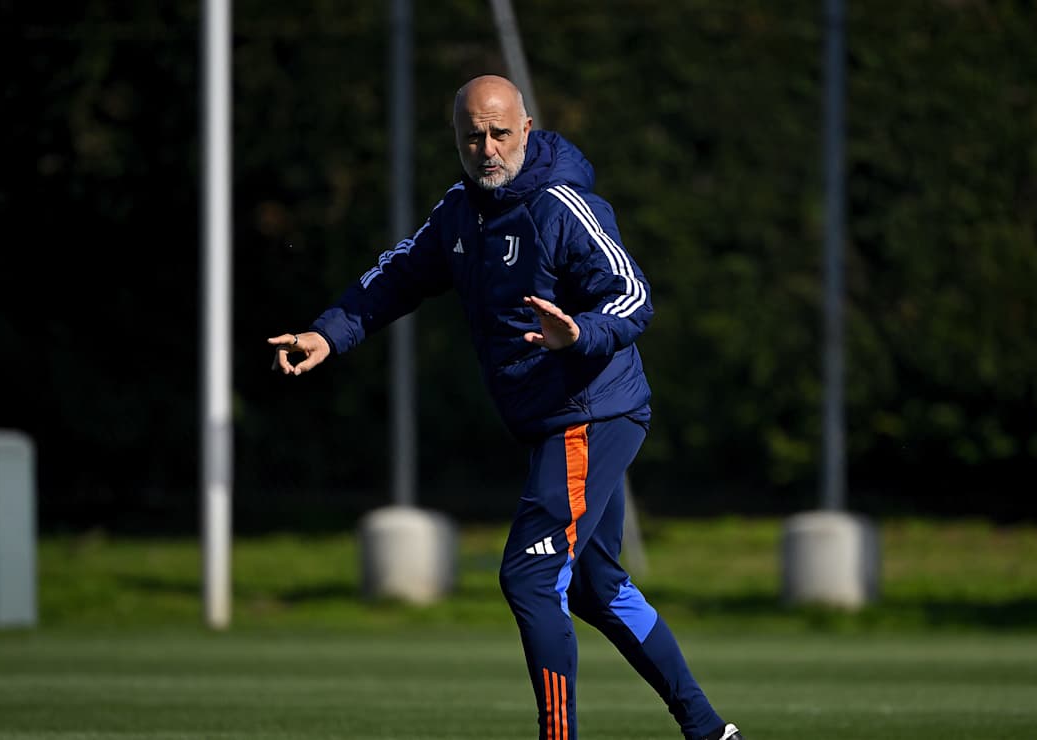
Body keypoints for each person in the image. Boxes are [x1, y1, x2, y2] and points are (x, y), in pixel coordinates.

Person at [268, 74, 744, 740]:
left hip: (591, 411)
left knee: (530, 575)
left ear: (525, 128)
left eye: (498, 132)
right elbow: (398, 274)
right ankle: (709, 730)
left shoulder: (562, 204)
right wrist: (329, 331)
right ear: (457, 140)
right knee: (593, 586)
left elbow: (633, 294)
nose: (486, 147)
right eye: (472, 135)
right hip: (552, 420)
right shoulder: (459, 213)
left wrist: (579, 333)